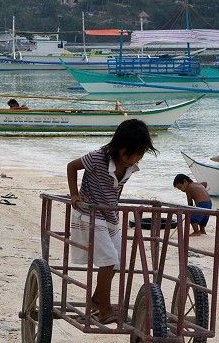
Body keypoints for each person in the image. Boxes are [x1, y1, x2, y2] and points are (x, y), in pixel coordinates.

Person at [67, 119, 158, 324]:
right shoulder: (98, 157)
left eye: (139, 155)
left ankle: (97, 300)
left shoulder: (130, 166)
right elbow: (72, 166)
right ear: (118, 146)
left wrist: (115, 204)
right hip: (89, 214)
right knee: (108, 260)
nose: (133, 159)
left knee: (118, 262)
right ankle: (105, 309)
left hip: (110, 217)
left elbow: (117, 188)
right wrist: (74, 195)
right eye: (129, 154)